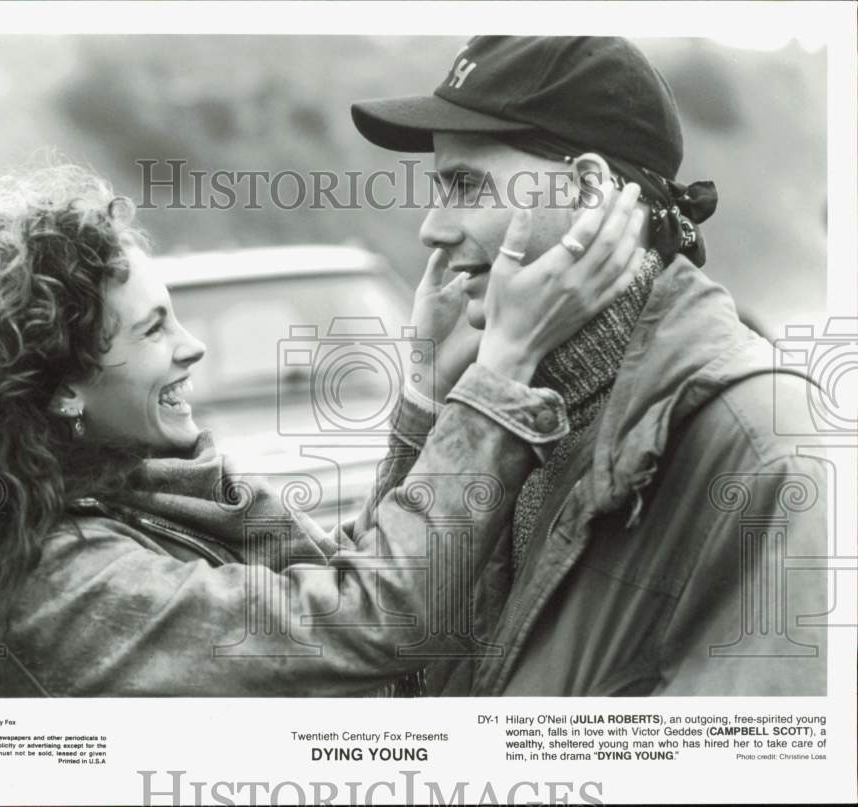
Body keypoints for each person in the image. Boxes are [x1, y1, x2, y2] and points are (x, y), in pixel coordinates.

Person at [0, 163, 643, 697]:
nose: (193, 347)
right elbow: (366, 623)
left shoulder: (103, 499)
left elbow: (343, 581)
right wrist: (502, 370)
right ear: (61, 394)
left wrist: (424, 391)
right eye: (154, 331)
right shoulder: (65, 586)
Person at [351, 35, 828, 695]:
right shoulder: (496, 409)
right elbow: (377, 661)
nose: (433, 227)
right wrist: (423, 409)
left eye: (465, 184)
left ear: (587, 189)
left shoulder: (761, 446)